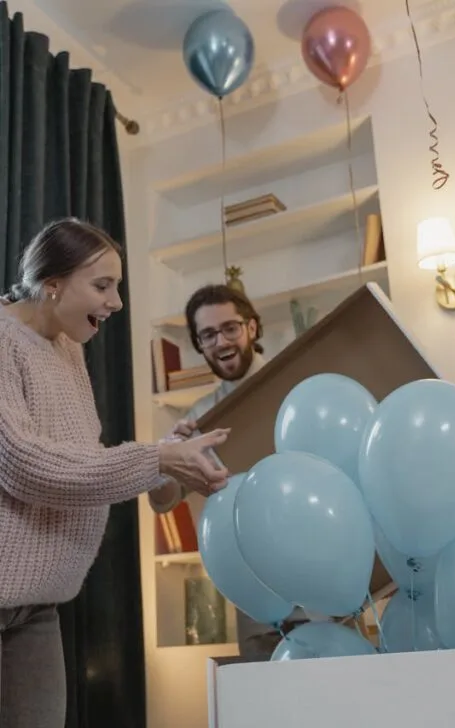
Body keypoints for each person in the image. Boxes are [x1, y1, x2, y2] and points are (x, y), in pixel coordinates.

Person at [0, 218, 230, 728]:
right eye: (102, 285)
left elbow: (82, 460)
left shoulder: (68, 350)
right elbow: (26, 466)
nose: (117, 302)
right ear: (51, 283)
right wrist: (154, 459)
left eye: (117, 286)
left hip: (39, 605)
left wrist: (166, 457)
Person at [148, 284, 308, 659]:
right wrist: (165, 455)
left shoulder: (297, 386)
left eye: (230, 328)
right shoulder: (200, 419)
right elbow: (163, 500)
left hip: (322, 578)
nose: (221, 341)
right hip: (255, 594)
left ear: (252, 328)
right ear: (199, 345)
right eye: (208, 334)